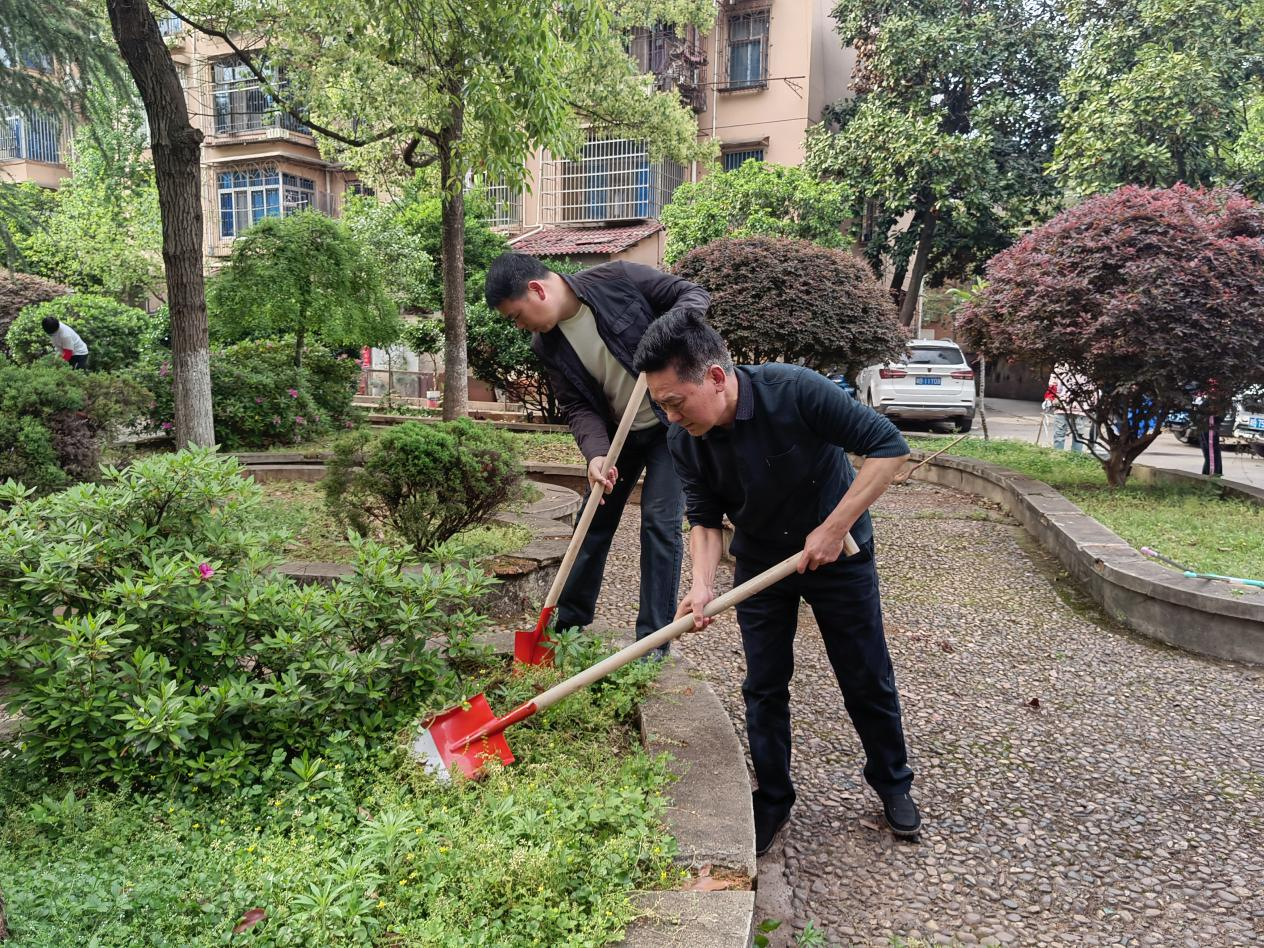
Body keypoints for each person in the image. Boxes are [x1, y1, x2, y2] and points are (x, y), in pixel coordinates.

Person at [632, 310, 919, 853]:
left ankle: (892, 782)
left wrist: (834, 528)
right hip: (762, 562)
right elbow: (704, 519)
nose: (669, 416)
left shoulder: (796, 391)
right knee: (763, 684)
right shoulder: (684, 439)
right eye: (660, 405)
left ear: (716, 377)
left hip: (839, 555)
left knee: (864, 673)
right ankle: (773, 797)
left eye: (675, 402)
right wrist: (701, 585)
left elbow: (889, 448)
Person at [484, 252, 710, 657]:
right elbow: (576, 406)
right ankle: (568, 626)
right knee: (593, 520)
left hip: (670, 426)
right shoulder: (547, 343)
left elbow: (692, 295)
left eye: (516, 316)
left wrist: (662, 337)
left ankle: (652, 642)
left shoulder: (618, 279)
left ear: (536, 290)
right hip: (619, 435)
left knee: (659, 523)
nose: (519, 326)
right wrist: (596, 455)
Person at [1045, 364, 1092, 453]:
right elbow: (1053, 384)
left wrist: (1092, 402)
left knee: (1078, 435)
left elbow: (1091, 387)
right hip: (1061, 405)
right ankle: (1058, 456)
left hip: (1080, 406)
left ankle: (1076, 457)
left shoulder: (1087, 365)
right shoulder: (1060, 365)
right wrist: (1049, 398)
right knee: (1059, 433)